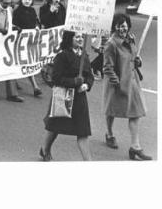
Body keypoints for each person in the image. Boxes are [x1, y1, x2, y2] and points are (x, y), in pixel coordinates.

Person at [102, 14, 151, 160]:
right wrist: (117, 83)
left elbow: (133, 57)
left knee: (136, 112)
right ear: (114, 27)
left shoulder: (131, 38)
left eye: (124, 25)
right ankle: (109, 134)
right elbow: (107, 68)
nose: (122, 28)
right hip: (116, 84)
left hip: (132, 81)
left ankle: (135, 147)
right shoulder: (111, 44)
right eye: (119, 25)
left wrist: (138, 60)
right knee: (111, 111)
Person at [40, 30, 94, 161]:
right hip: (64, 96)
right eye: (77, 37)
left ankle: (89, 161)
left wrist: (86, 85)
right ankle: (45, 149)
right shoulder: (62, 56)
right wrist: (74, 82)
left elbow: (90, 76)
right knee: (55, 127)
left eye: (82, 37)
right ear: (70, 39)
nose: (80, 39)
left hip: (79, 98)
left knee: (83, 131)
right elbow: (56, 78)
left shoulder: (84, 56)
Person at [12, 0, 43, 97]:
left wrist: (37, 27)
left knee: (29, 62)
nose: (27, 1)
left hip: (30, 41)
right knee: (18, 62)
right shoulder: (17, 11)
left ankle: (35, 86)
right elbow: (14, 25)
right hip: (19, 41)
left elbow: (35, 22)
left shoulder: (33, 10)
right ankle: (15, 80)